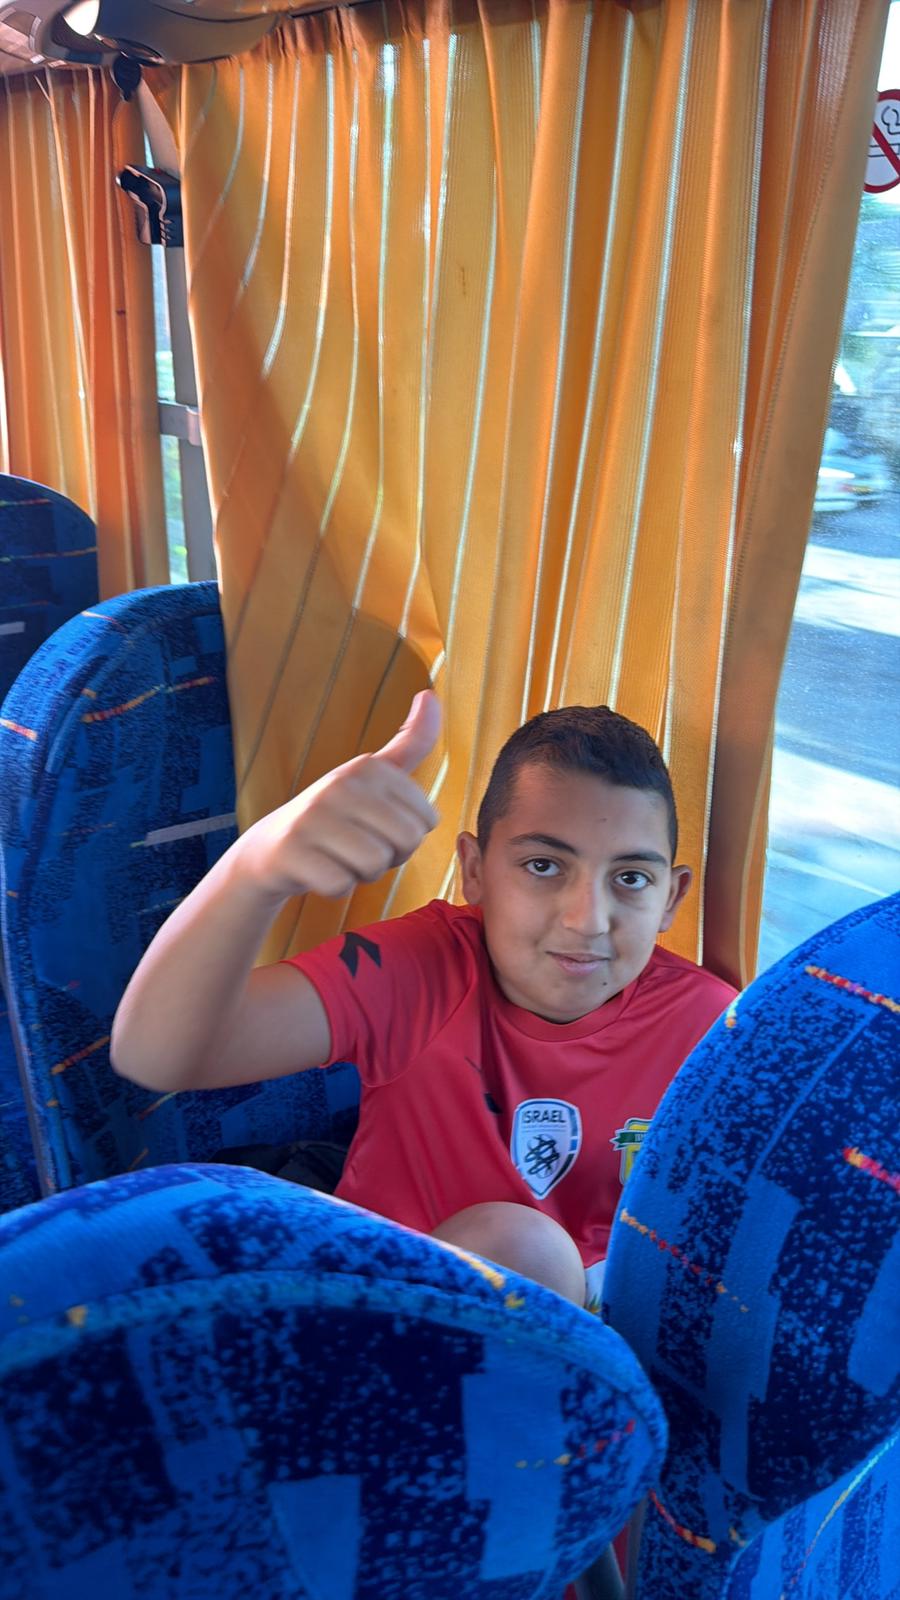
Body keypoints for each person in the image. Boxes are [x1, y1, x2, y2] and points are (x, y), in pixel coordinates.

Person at [112, 692, 736, 1309]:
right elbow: (156, 1055)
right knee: (524, 1248)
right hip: (387, 1316)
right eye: (544, 866)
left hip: (604, 1333)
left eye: (630, 878)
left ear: (671, 898)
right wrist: (254, 874)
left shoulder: (714, 1031)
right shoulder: (419, 971)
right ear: (475, 870)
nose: (587, 920)